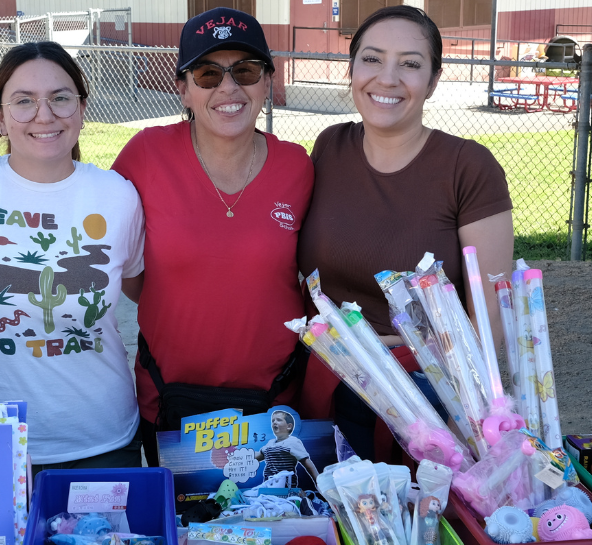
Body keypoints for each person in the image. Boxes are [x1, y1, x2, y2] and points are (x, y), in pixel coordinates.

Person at [296, 6, 516, 462]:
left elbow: (490, 311)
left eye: (410, 64)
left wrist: (466, 413)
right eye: (372, 59)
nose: (388, 78)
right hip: (330, 380)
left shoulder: (467, 167)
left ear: (433, 80)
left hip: (427, 395)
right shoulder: (329, 147)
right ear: (351, 68)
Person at [111, 7, 314, 467]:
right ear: (182, 89)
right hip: (169, 401)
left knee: (263, 528)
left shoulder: (297, 167)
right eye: (207, 73)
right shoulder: (145, 155)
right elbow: (120, 260)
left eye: (244, 70)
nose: (228, 88)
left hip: (272, 406)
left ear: (267, 82)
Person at [0, 41, 145, 473]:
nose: (44, 115)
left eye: (60, 98)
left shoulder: (117, 194)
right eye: (23, 101)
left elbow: (140, 288)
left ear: (82, 108)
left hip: (99, 437)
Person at [256, 409, 320, 486]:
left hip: (286, 485)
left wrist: (318, 481)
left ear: (289, 426)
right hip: (269, 484)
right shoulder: (270, 443)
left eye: (279, 420)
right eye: (273, 421)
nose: (274, 422)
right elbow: (259, 456)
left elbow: (306, 462)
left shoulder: (292, 441)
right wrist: (242, 456)